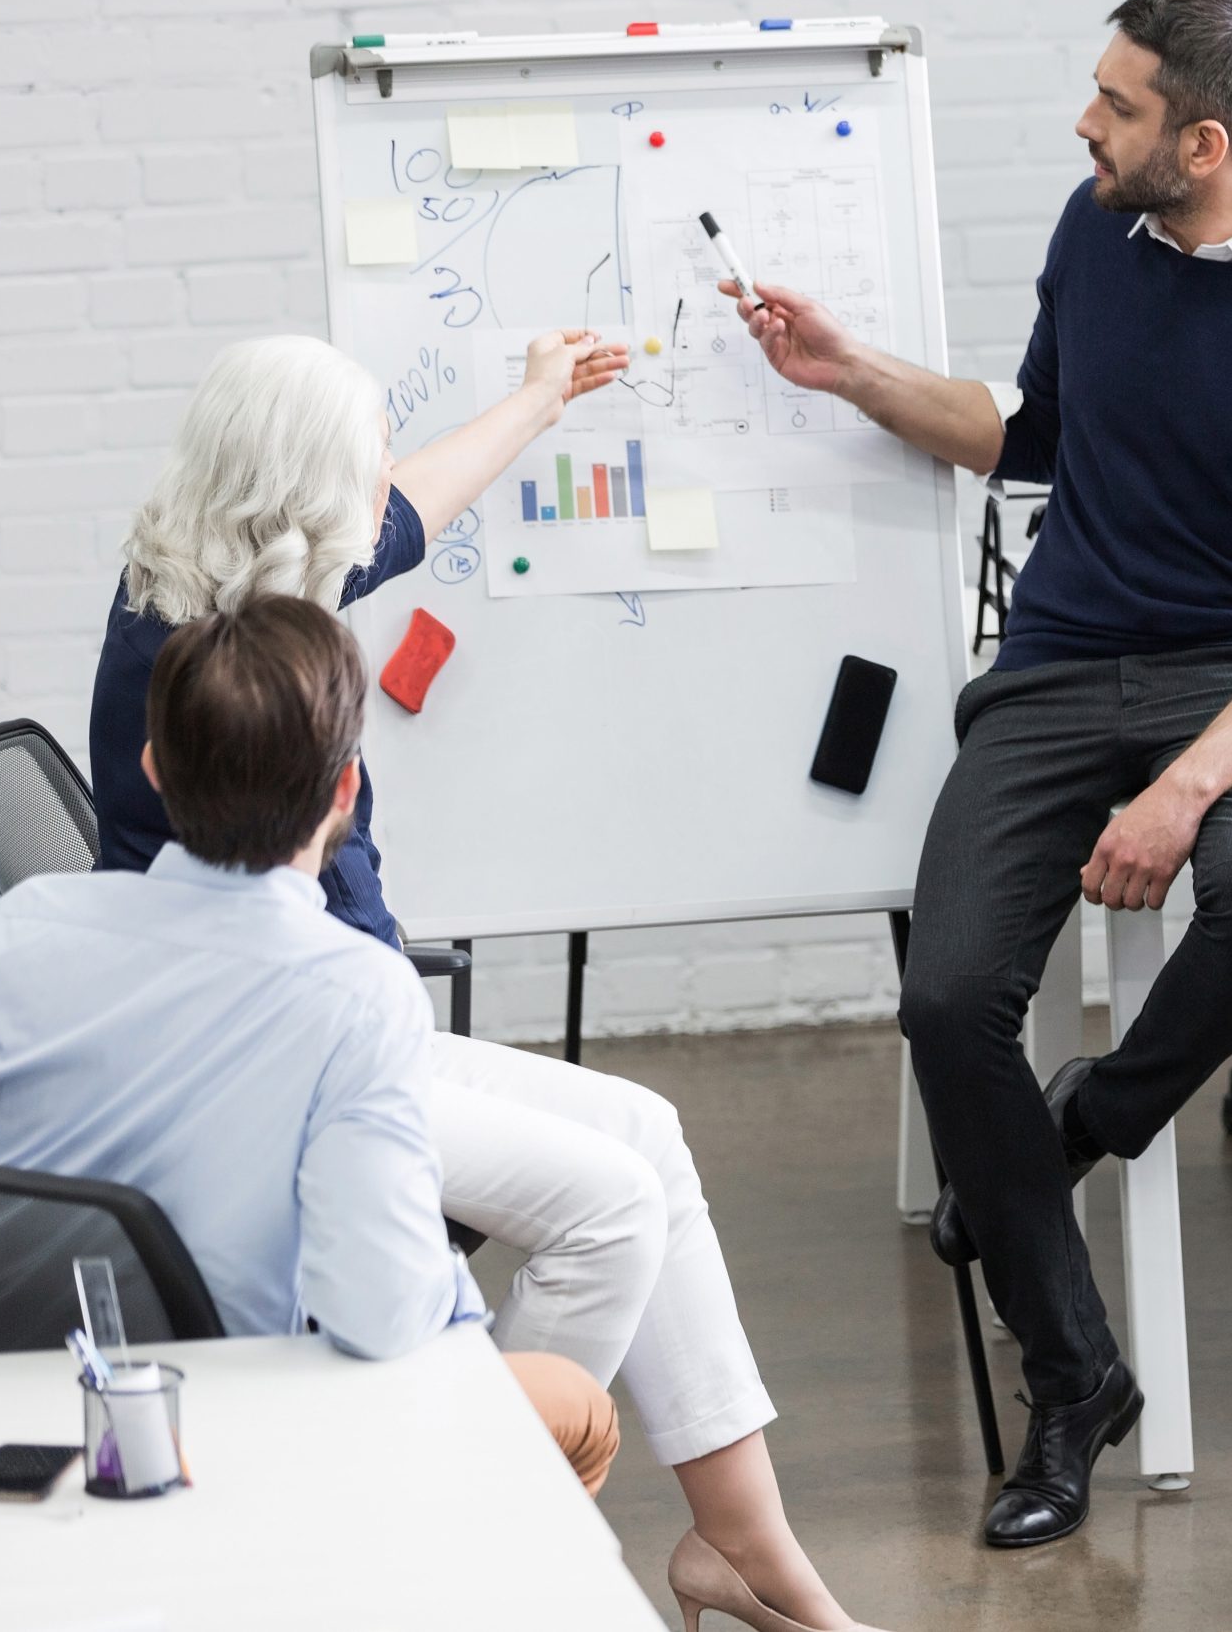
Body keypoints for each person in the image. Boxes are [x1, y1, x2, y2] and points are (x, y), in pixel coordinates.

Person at [725, 0, 1232, 1547]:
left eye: (1115, 105)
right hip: (1054, 666)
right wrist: (850, 370)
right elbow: (1041, 429)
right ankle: (1077, 1378)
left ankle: (1082, 1120)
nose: (1082, 124)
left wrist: (1183, 788)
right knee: (946, 995)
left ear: (1203, 141)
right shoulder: (1099, 228)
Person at [87, 336, 884, 1632]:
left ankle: (743, 1550)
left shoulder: (240, 583)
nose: (381, 493)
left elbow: (409, 507)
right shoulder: (208, 669)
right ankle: (458, 1535)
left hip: (345, 1020)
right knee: (610, 1207)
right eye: (360, 471)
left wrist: (538, 398)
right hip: (282, 1063)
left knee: (648, 1133)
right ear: (300, 496)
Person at [0, 598, 621, 1498]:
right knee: (573, 1402)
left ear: (154, 768)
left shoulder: (9, 933)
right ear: (345, 791)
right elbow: (378, 1315)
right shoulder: (359, 993)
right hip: (214, 1428)